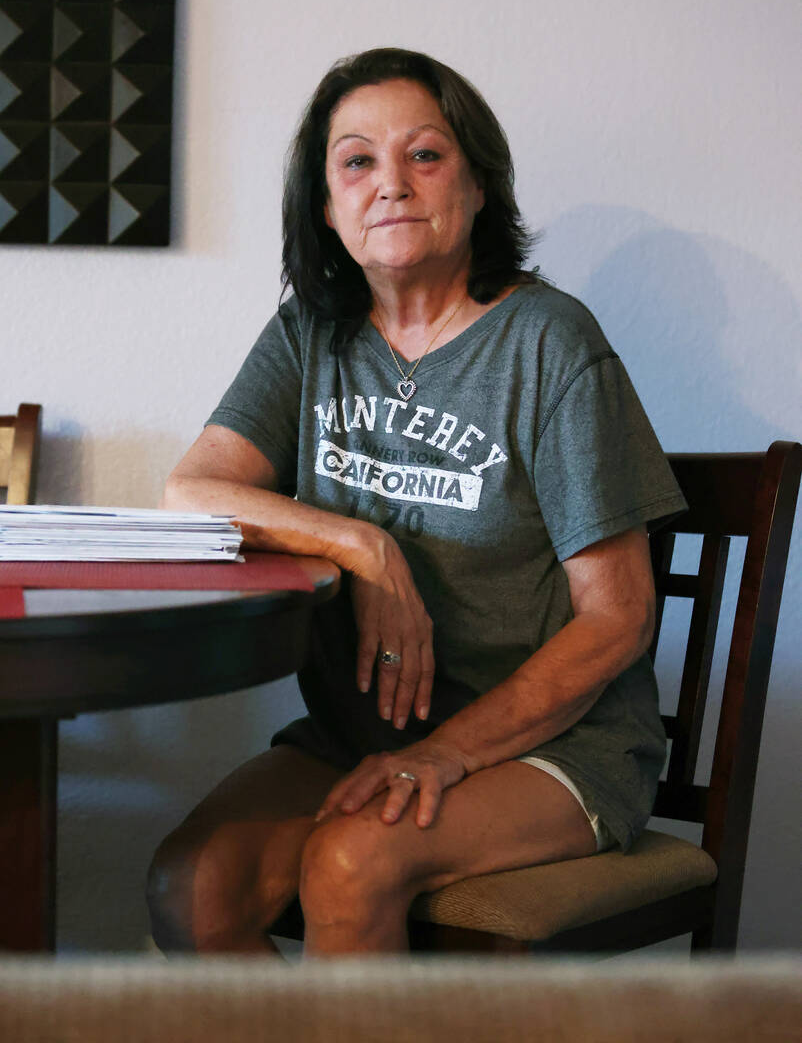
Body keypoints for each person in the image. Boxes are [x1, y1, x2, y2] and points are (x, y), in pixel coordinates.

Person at [146, 47, 687, 955]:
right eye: (357, 161)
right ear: (327, 206)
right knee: (189, 889)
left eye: (424, 155)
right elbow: (190, 493)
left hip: (553, 749)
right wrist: (364, 545)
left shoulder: (550, 343)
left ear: (479, 187)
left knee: (350, 862)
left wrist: (448, 751)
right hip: (357, 736)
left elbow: (619, 618)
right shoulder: (310, 336)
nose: (390, 183)